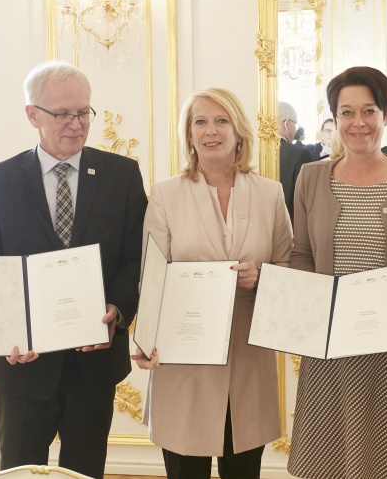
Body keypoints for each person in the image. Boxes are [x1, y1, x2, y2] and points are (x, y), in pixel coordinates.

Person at [0, 61, 148, 478]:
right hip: (23, 369)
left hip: (94, 368)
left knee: (86, 472)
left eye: (84, 112)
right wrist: (7, 331)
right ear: (33, 115)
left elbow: (136, 259)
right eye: (63, 113)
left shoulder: (122, 176)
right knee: (19, 471)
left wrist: (117, 311)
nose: (77, 123)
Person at [288, 66, 387, 479]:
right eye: (346, 112)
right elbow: (302, 254)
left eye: (369, 110)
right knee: (329, 464)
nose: (358, 123)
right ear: (334, 118)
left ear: (386, 115)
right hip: (330, 351)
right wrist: (308, 308)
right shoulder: (309, 177)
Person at [133, 88, 293, 479]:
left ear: (239, 131)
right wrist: (143, 342)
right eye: (200, 122)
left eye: (222, 121)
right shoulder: (166, 195)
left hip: (247, 360)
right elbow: (150, 278)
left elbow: (290, 270)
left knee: (243, 471)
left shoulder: (270, 193)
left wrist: (263, 278)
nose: (211, 131)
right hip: (183, 363)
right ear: (188, 134)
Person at [278, 101, 312, 223]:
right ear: (286, 123)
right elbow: (305, 201)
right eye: (295, 125)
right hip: (289, 227)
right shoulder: (299, 154)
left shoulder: (252, 152)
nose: (295, 130)